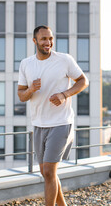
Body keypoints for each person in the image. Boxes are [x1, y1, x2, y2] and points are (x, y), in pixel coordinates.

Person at [18, 25, 89, 206]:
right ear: (35, 41)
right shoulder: (26, 64)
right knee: (46, 172)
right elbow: (21, 95)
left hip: (61, 122)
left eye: (50, 38)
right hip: (39, 124)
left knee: (49, 171)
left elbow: (83, 81)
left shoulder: (64, 60)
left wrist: (64, 94)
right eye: (43, 39)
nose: (48, 42)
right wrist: (31, 89)